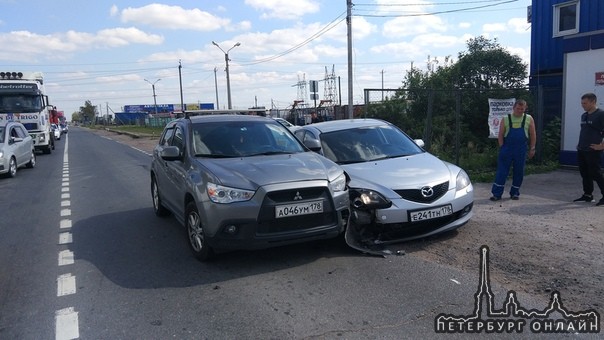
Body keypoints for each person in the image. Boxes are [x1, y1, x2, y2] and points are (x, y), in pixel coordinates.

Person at [490, 99, 536, 201]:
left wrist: (532, 148)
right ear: (513, 108)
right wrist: (502, 147)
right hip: (507, 148)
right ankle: (496, 194)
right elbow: (500, 134)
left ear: (525, 109)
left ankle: (515, 192)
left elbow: (533, 134)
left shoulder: (529, 119)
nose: (519, 111)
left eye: (522, 109)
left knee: (519, 171)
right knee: (502, 171)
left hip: (521, 149)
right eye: (518, 109)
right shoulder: (506, 118)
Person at [573, 93, 604, 206]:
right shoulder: (584, 115)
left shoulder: (600, 114)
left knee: (596, 173)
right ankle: (588, 195)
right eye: (582, 103)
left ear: (593, 102)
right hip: (582, 149)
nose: (583, 105)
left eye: (585, 103)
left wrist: (602, 145)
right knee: (584, 173)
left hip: (593, 150)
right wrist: (579, 143)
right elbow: (584, 131)